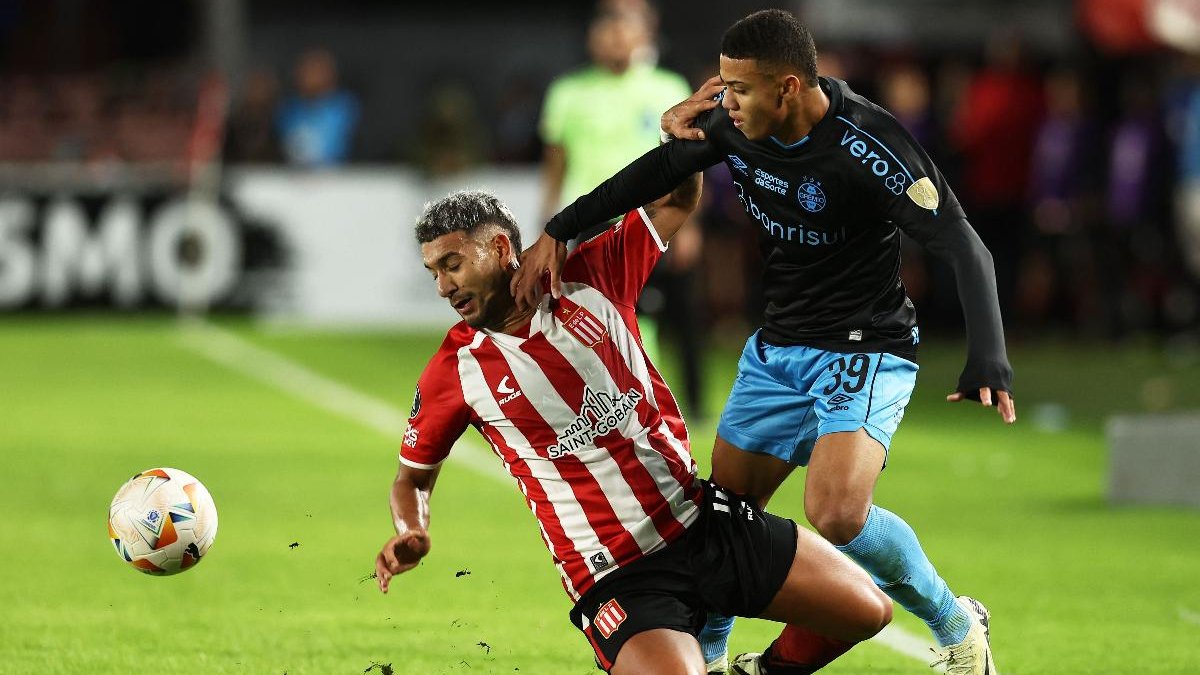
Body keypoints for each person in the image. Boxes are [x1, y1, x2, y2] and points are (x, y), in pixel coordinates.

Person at [513, 9, 1015, 675]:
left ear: (788, 87)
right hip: (780, 349)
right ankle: (718, 661)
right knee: (723, 517)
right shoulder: (734, 119)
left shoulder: (870, 144)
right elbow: (658, 169)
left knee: (836, 512)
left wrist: (990, 356)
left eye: (738, 87)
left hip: (865, 347)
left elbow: (964, 244)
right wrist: (562, 228)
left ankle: (959, 628)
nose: (722, 99)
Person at [374, 183, 893, 675]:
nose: (443, 287)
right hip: (617, 573)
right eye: (433, 273)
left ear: (500, 247)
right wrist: (411, 531)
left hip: (702, 521)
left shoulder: (594, 275)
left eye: (452, 265)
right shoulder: (455, 369)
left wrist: (683, 135)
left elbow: (681, 196)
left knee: (868, 610)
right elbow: (412, 477)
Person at [540, 1, 708, 418]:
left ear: (644, 37)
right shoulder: (568, 91)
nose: (615, 39)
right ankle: (610, 397)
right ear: (592, 40)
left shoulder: (667, 87)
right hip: (589, 216)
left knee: (681, 311)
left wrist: (690, 223)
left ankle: (695, 403)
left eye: (624, 30)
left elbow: (690, 160)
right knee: (592, 315)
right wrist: (548, 221)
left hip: (656, 215)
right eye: (607, 31)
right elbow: (556, 161)